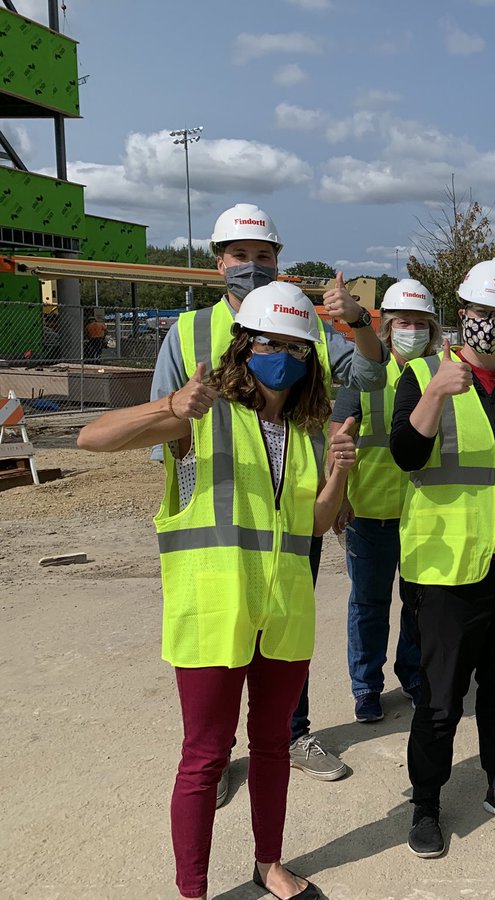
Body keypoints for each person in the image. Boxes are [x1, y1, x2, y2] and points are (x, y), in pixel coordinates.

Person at [78, 283, 352, 900]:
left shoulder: (306, 431)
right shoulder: (198, 418)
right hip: (213, 613)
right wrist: (169, 406)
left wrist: (339, 472)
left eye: (296, 346)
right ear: (244, 346)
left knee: (274, 745)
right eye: (269, 342)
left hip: (283, 614)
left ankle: (269, 864)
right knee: (204, 756)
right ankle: (193, 890)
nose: (281, 354)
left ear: (310, 358)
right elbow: (89, 439)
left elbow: (314, 523)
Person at [150, 203, 388, 793]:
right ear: (218, 262)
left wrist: (359, 322)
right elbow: (163, 433)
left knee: (285, 629)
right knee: (221, 635)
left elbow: (370, 376)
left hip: (292, 510)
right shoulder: (186, 333)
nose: (251, 266)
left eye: (263, 256)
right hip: (222, 518)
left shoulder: (299, 318)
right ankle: (220, 753)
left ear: (278, 260)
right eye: (239, 255)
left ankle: (291, 731)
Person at [390, 258, 495, 859]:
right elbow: (407, 455)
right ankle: (426, 804)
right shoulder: (423, 374)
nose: (493, 325)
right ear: (462, 315)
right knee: (438, 700)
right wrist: (433, 395)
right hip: (444, 569)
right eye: (483, 313)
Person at [330, 279, 438, 723]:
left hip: (424, 513)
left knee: (419, 606)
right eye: (403, 322)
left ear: (430, 331)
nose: (411, 329)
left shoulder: (439, 375)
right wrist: (337, 496)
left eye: (420, 323)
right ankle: (366, 686)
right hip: (369, 512)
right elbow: (337, 437)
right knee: (369, 607)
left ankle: (412, 675)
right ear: (389, 328)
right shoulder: (366, 372)